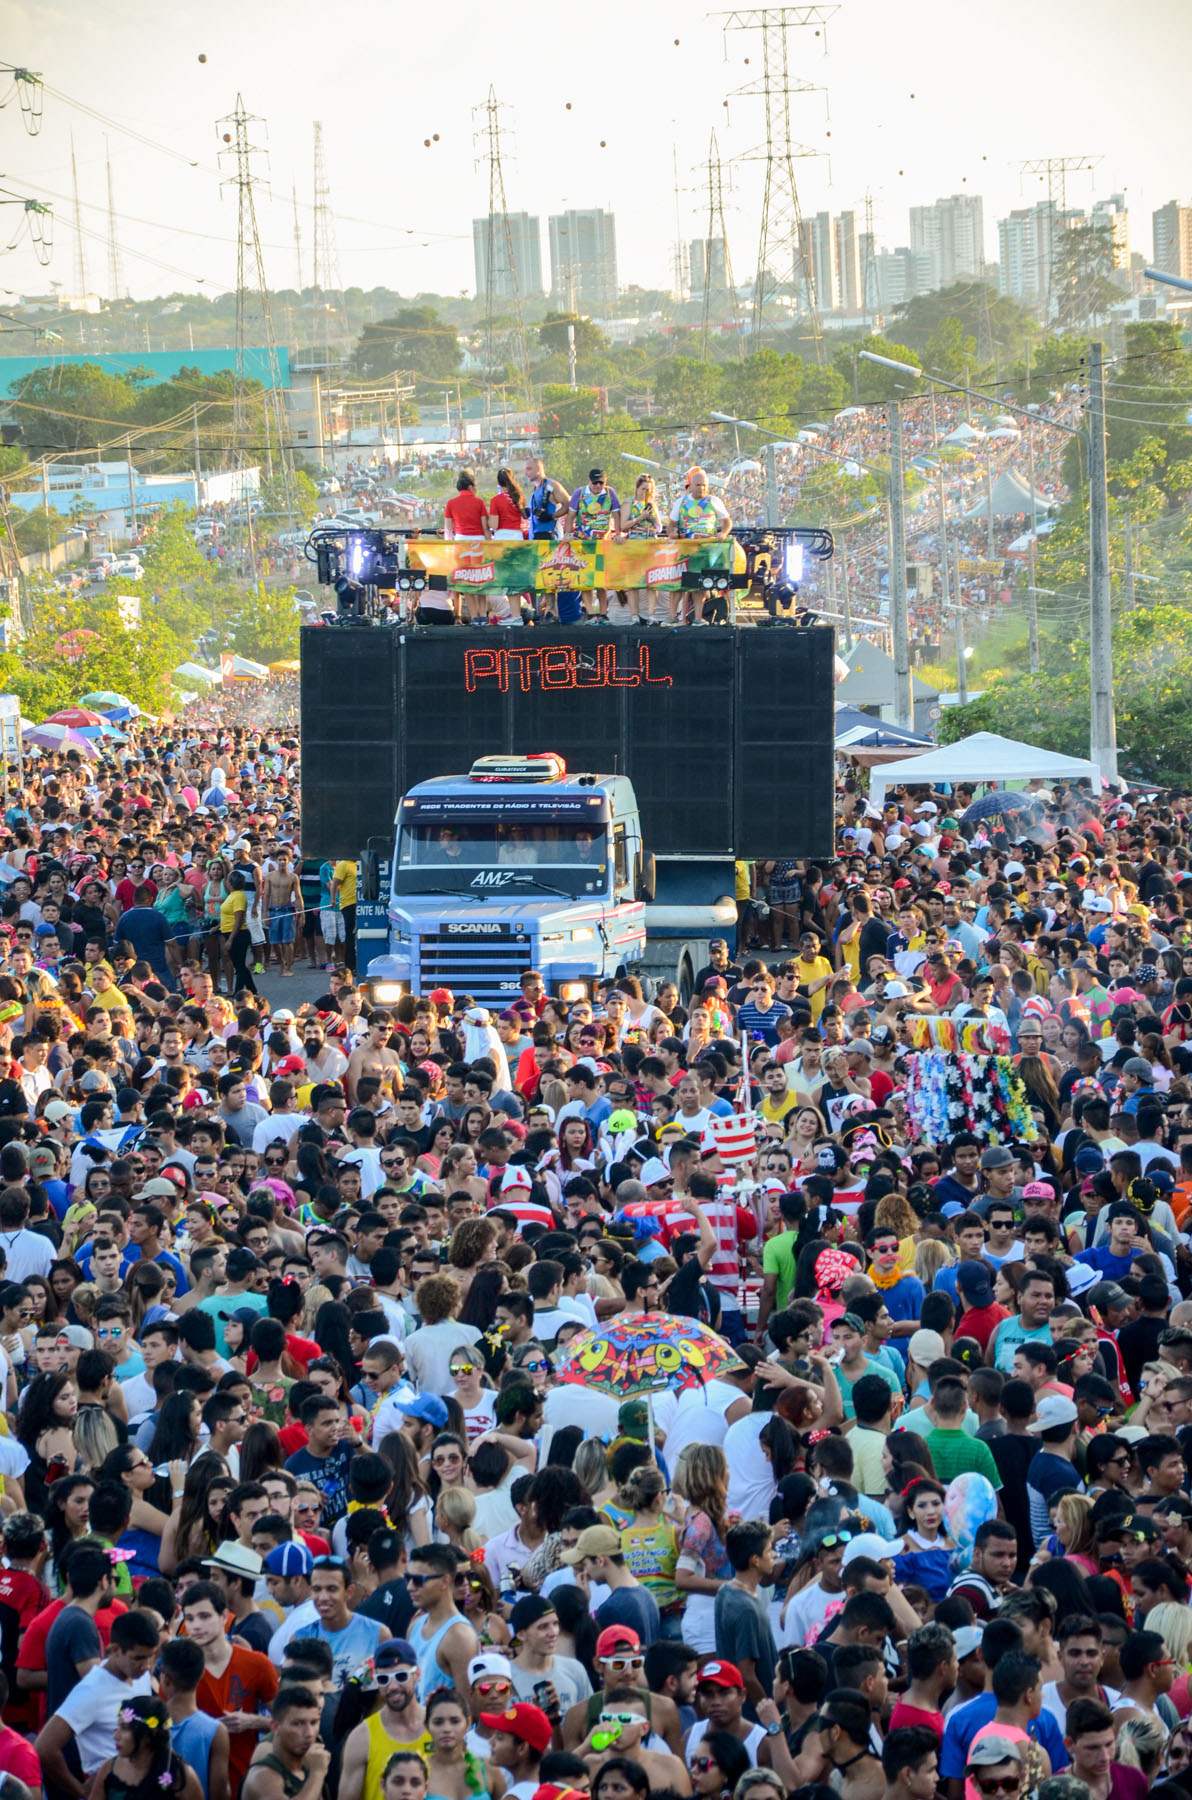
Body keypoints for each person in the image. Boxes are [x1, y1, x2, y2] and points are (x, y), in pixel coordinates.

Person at [35, 1609, 161, 1800]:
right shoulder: (91, 1691)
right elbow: (44, 1747)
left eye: (151, 1657)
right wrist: (81, 1791)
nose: (146, 1666)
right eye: (138, 1658)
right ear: (114, 1650)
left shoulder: (141, 1675)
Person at [88, 1692, 204, 1800]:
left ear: (149, 1735)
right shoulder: (109, 1768)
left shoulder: (180, 1775)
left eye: (125, 1728)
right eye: (118, 1727)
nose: (116, 1736)